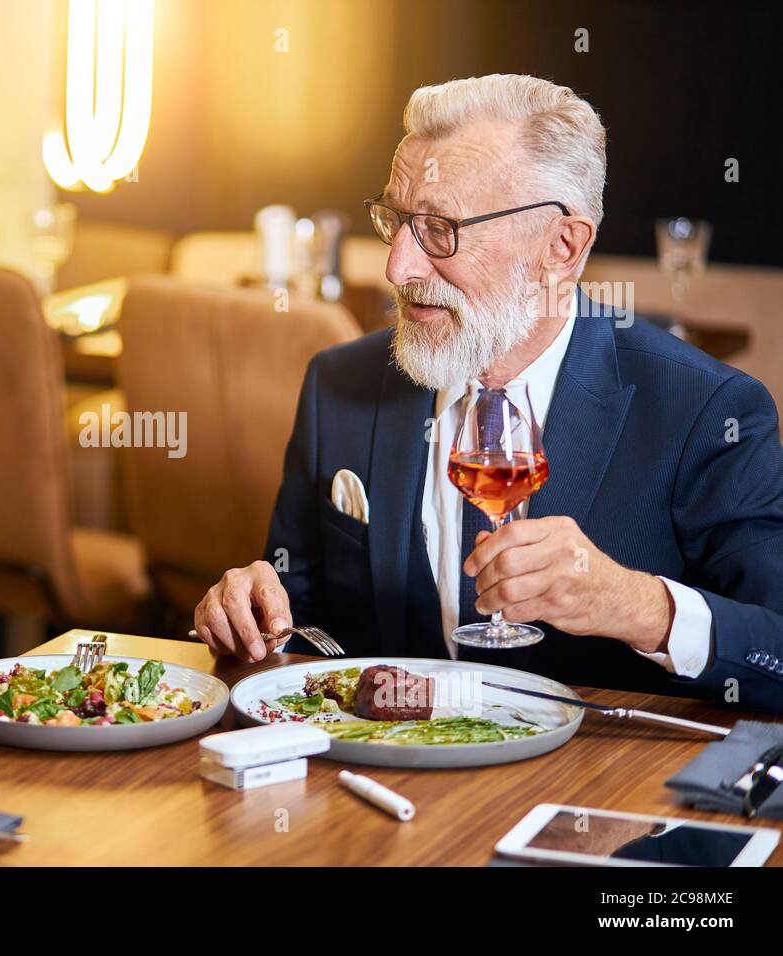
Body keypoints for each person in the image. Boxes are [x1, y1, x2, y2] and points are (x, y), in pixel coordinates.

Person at [193, 74, 783, 713]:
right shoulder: (338, 385)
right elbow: (301, 619)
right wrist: (253, 615)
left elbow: (774, 649)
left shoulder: (706, 410)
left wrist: (636, 605)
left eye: (441, 229)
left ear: (561, 247)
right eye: (395, 220)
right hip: (382, 768)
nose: (397, 266)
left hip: (599, 769)